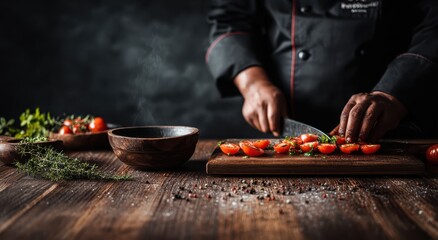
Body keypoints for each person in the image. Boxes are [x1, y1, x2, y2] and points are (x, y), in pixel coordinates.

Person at [205, 0, 438, 142]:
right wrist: (253, 84)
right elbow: (230, 18)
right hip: (289, 122)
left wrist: (394, 93)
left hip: (395, 125)